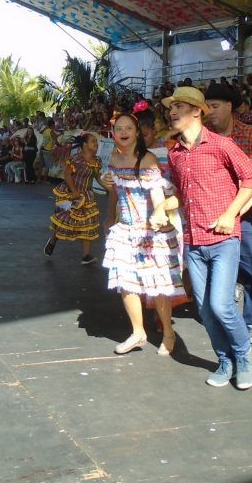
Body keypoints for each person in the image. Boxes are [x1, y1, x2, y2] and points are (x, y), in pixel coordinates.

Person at [164, 86, 252, 390]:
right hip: (194, 242)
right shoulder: (174, 153)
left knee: (221, 305)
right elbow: (181, 193)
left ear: (197, 111)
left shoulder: (222, 145)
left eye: (179, 106)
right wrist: (159, 208)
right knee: (205, 310)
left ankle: (245, 354)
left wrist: (230, 214)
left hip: (222, 239)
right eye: (170, 107)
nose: (172, 111)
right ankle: (225, 359)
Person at [101, 114, 182, 356]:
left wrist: (159, 214)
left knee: (156, 285)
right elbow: (115, 193)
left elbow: (158, 195)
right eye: (119, 128)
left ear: (137, 132)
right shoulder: (114, 157)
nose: (123, 131)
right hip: (125, 229)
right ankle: (138, 333)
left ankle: (168, 332)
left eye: (128, 127)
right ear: (113, 132)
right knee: (126, 283)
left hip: (150, 231)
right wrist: (108, 216)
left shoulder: (147, 160)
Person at [203, 83, 252, 346]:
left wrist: (240, 209)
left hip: (246, 213)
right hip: (214, 211)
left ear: (230, 106)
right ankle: (221, 314)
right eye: (207, 106)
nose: (209, 112)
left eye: (215, 106)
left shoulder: (250, 136)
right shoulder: (202, 136)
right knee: (214, 266)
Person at [45, 132, 107, 264]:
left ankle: (86, 256)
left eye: (96, 142)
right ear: (84, 145)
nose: (95, 144)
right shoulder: (76, 159)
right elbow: (67, 175)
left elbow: (98, 178)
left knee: (89, 223)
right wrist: (74, 191)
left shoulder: (97, 161)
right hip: (71, 194)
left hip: (87, 196)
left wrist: (109, 188)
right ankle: (53, 241)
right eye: (93, 141)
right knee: (66, 223)